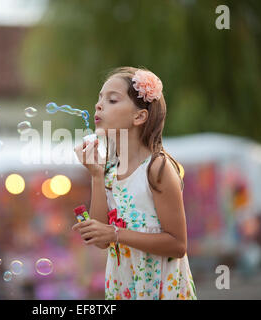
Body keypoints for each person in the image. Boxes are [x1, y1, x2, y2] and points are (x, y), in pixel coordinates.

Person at [73, 66, 197, 300]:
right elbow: (102, 241)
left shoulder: (157, 168)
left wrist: (115, 234)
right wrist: (96, 175)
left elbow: (178, 244)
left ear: (139, 116)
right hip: (125, 285)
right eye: (99, 99)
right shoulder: (108, 172)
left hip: (159, 286)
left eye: (112, 100)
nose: (98, 105)